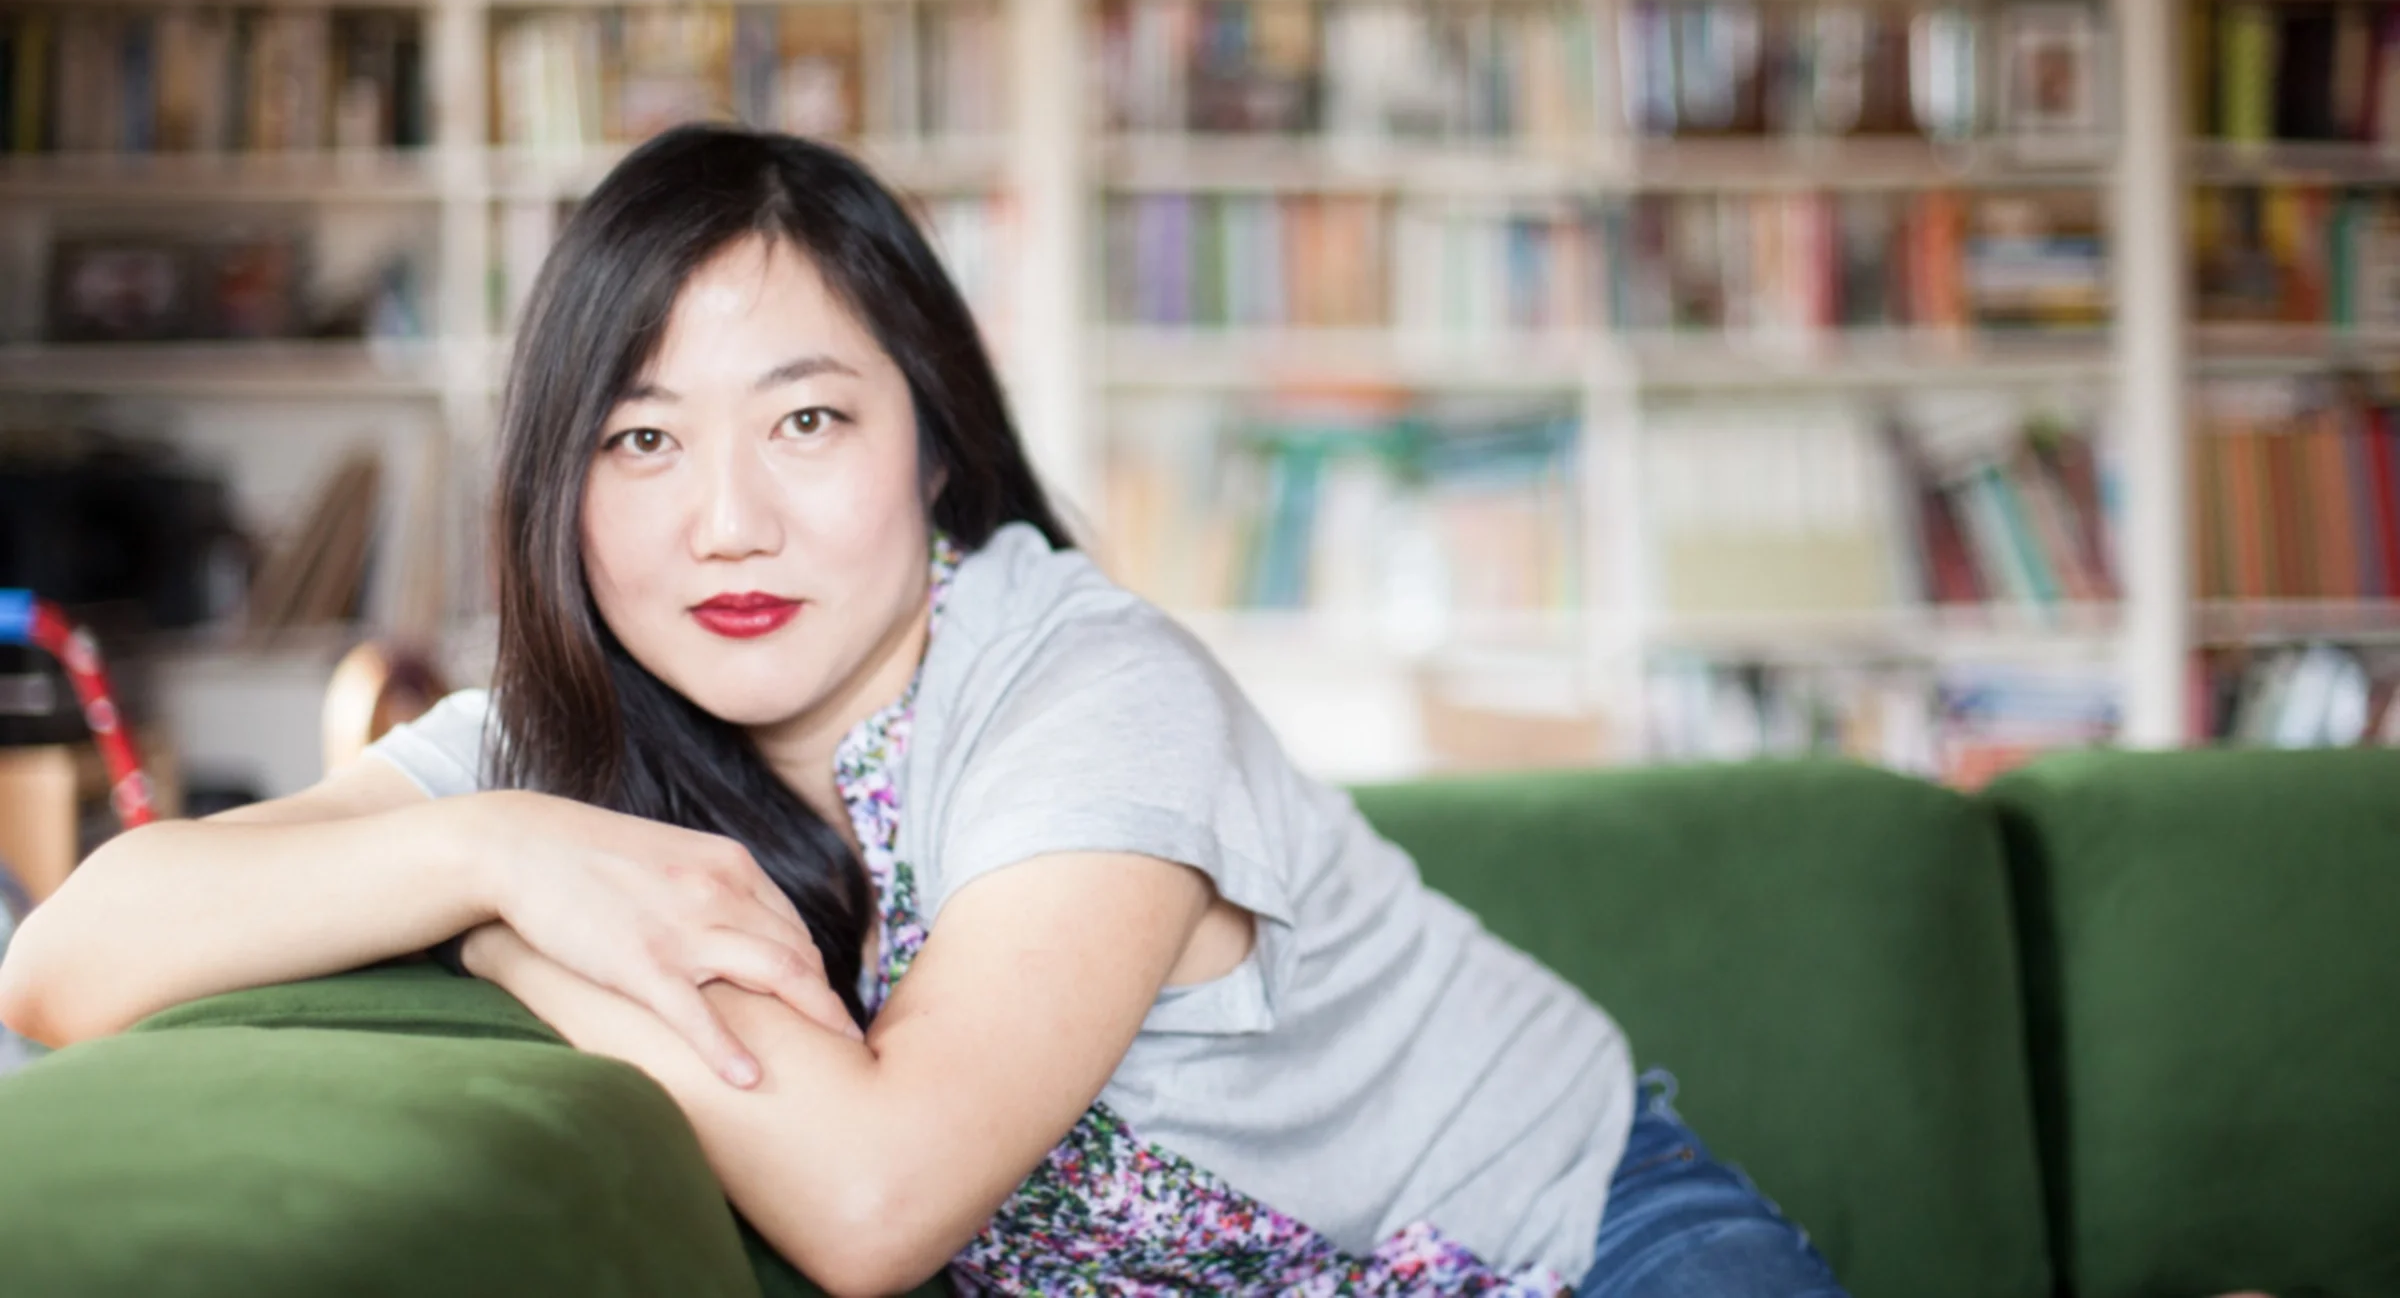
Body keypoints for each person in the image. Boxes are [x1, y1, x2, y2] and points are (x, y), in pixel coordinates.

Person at [0, 126, 1846, 1298]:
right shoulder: (555, 750)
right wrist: (491, 847)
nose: (728, 520)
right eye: (641, 439)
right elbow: (67, 957)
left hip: (1582, 1238)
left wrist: (496, 922)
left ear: (934, 447)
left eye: (807, 419)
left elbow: (877, 1200)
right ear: (558, 483)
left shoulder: (1088, 684)